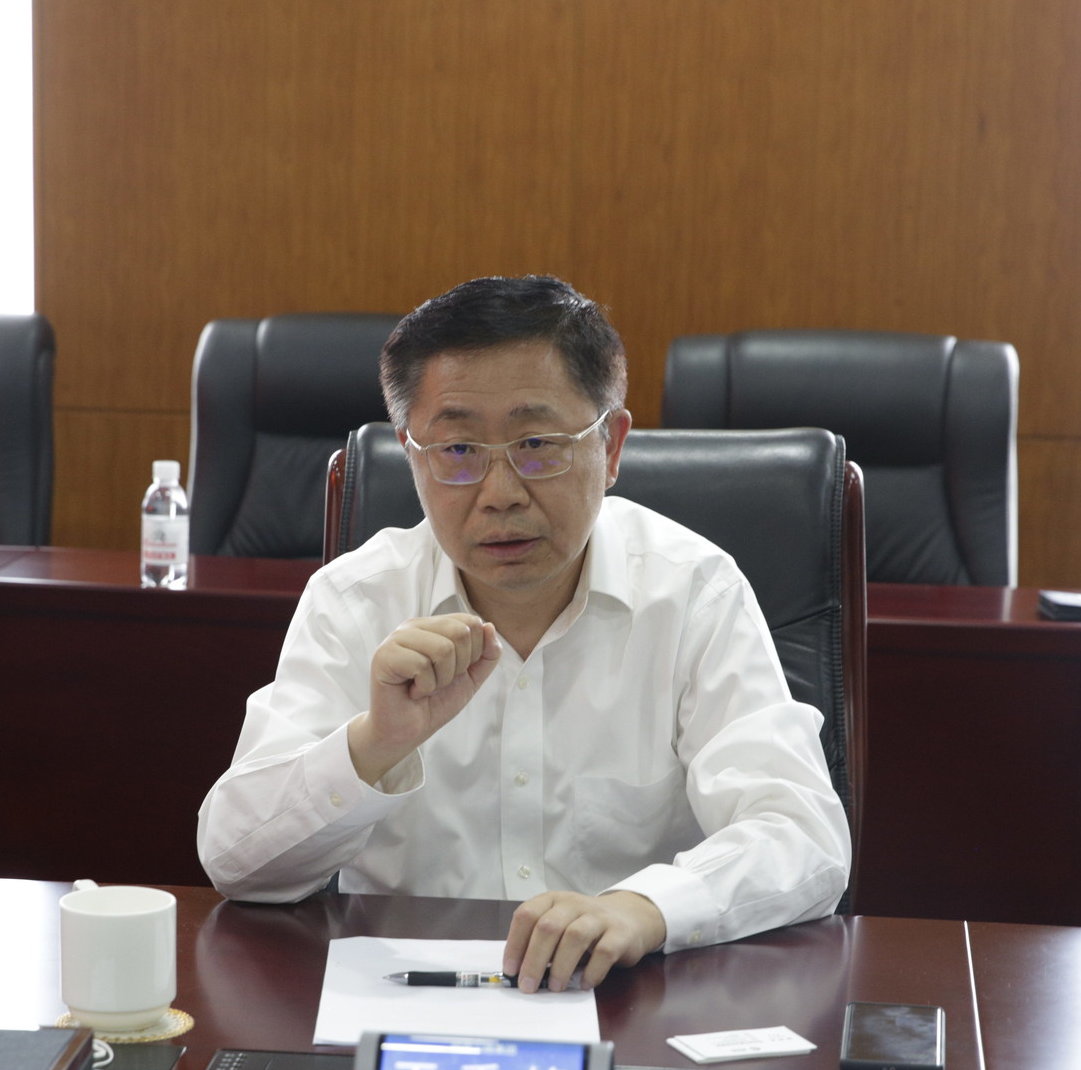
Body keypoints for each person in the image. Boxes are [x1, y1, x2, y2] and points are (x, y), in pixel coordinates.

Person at [198, 276, 850, 990]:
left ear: (612, 446)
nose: (500, 493)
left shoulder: (693, 592)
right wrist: (374, 744)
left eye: (538, 444)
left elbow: (803, 834)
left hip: (629, 997)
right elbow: (236, 862)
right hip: (410, 1000)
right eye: (457, 450)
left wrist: (644, 909)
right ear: (412, 455)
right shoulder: (355, 601)